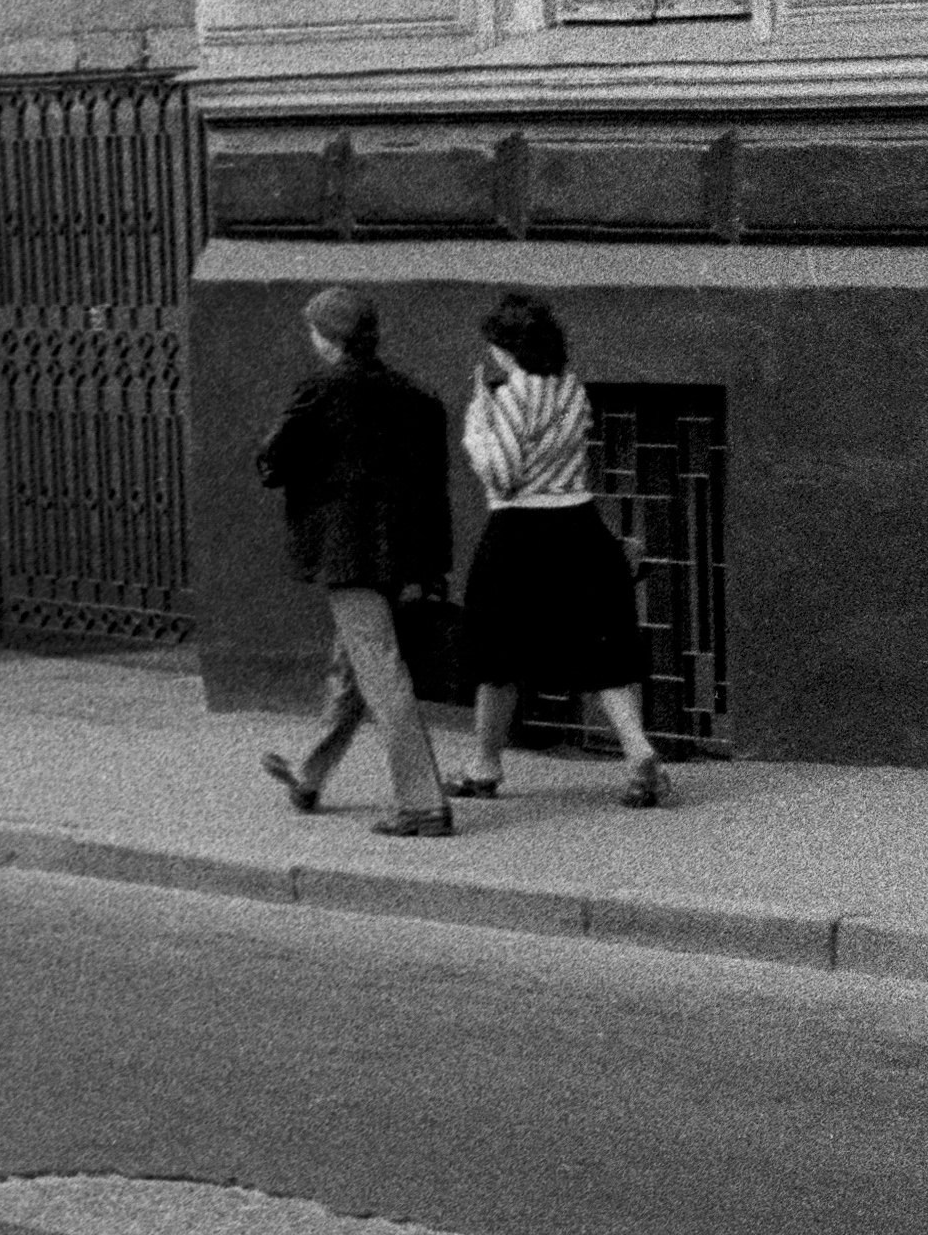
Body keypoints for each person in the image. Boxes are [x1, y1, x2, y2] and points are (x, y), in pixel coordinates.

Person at [449, 292, 672, 808]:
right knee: (602, 649)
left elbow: (502, 477)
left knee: (495, 653)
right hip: (579, 525)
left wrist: (476, 423)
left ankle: (484, 764)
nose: (493, 357)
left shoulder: (511, 397)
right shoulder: (572, 390)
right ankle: (639, 752)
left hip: (519, 533)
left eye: (496, 348)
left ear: (509, 348)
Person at [256, 284, 459, 836]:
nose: (313, 341)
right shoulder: (416, 396)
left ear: (330, 339)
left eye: (315, 332)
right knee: (356, 665)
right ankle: (310, 773)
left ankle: (422, 805)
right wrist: (433, 564)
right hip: (404, 555)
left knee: (380, 672)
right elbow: (434, 488)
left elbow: (272, 463)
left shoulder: (320, 391)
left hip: (347, 555)